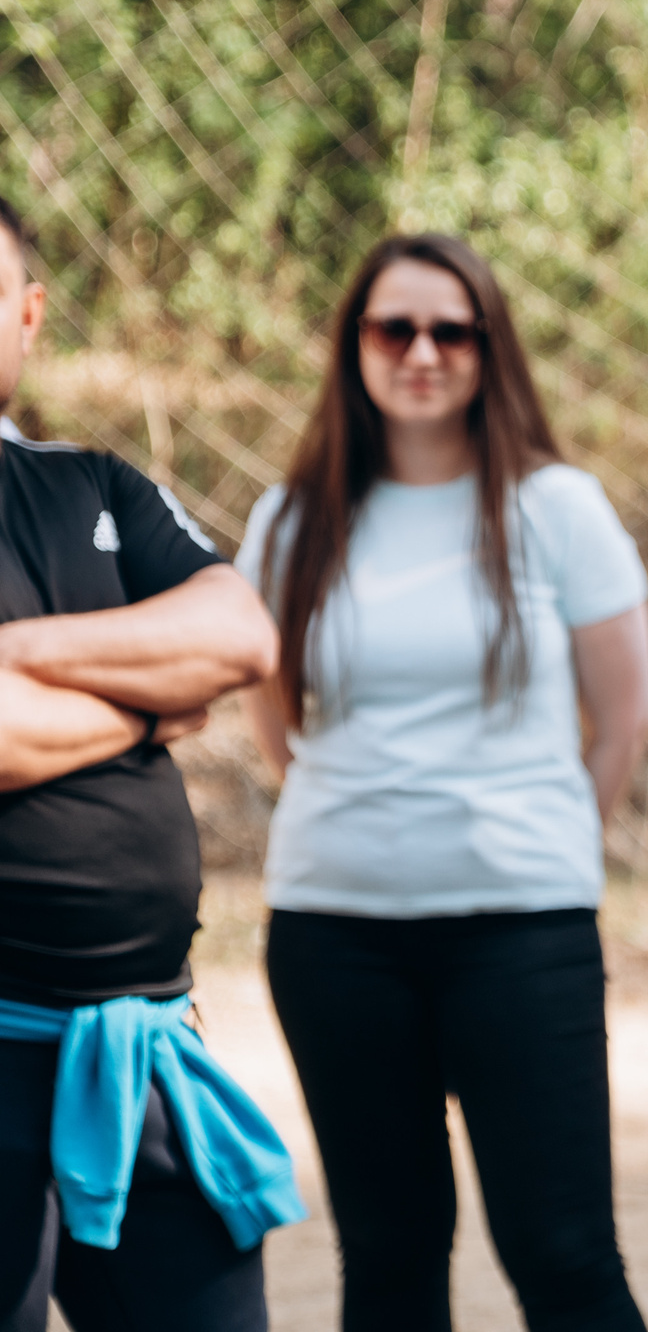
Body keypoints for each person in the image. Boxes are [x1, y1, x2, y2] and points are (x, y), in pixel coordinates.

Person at [239, 234, 648, 1332]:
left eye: (451, 330)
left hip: (521, 928)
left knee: (565, 1257)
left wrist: (539, 836)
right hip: (335, 933)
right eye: (394, 328)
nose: (422, 352)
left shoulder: (557, 507)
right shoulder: (291, 521)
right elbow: (272, 720)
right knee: (387, 1258)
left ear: (488, 347)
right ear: (356, 348)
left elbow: (621, 719)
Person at [0, 196, 302, 1332]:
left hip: (144, 1050)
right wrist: (145, 708)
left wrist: (24, 653)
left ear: (27, 318)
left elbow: (239, 640)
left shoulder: (98, 486)